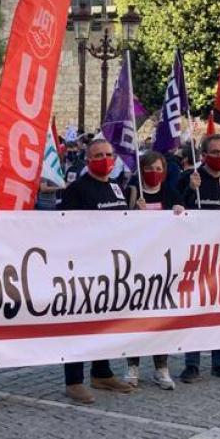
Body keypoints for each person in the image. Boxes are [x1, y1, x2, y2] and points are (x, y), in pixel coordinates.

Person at [57, 139, 137, 403]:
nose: (105, 159)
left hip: (111, 267)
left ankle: (102, 372)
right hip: (84, 267)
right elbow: (65, 227)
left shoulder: (116, 187)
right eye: (99, 155)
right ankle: (74, 381)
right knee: (79, 325)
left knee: (106, 322)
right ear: (88, 159)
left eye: (109, 154)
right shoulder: (77, 189)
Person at [180, 134, 220, 384]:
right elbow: (175, 208)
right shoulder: (191, 177)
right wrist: (189, 189)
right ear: (204, 155)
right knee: (194, 310)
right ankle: (192, 364)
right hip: (195, 256)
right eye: (214, 152)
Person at [123, 151, 181, 390]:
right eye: (150, 169)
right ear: (141, 169)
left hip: (164, 265)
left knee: (160, 317)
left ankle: (161, 367)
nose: (154, 173)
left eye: (159, 169)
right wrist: (134, 213)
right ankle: (132, 365)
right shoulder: (133, 192)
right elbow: (118, 224)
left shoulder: (170, 193)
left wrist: (179, 212)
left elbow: (188, 223)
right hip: (137, 265)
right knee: (135, 316)